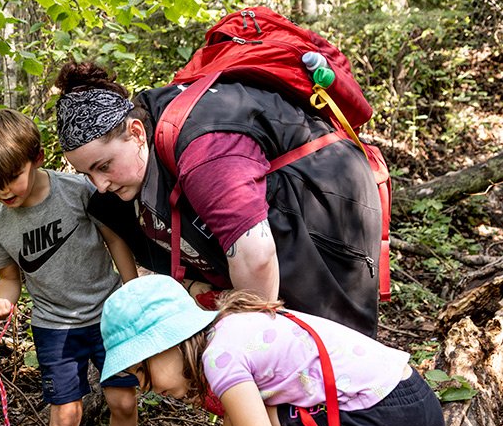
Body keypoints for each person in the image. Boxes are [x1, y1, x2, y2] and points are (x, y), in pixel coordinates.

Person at [54, 61, 382, 339]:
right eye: (87, 174)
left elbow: (256, 257)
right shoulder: (152, 118)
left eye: (103, 166)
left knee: (330, 342)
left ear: (138, 133)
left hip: (326, 200)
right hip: (288, 201)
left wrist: (250, 347)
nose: (99, 184)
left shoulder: (204, 150)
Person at [99, 274, 445, 426]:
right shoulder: (234, 327)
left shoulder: (218, 357)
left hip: (380, 419)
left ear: (169, 342)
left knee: (261, 424)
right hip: (419, 406)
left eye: (141, 369)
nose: (144, 386)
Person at [0, 109, 150, 426]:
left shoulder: (77, 191)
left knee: (123, 401)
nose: (3, 191)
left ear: (35, 159)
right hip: (55, 326)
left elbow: (115, 240)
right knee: (66, 414)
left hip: (108, 313)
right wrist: (2, 304)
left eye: (11, 177)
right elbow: (10, 279)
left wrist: (133, 293)